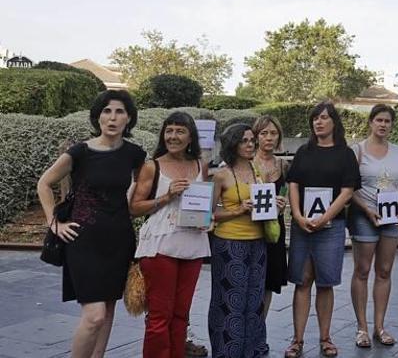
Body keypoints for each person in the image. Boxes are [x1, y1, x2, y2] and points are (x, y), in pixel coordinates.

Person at [37, 90, 146, 358]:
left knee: (108, 307)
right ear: (97, 117)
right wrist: (54, 224)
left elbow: (147, 187)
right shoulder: (80, 152)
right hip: (83, 241)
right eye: (106, 111)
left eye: (119, 112)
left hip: (119, 239)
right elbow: (44, 183)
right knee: (94, 315)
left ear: (128, 118)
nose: (112, 117)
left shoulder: (134, 154)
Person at [130, 111, 209, 358]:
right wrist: (167, 196)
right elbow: (134, 208)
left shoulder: (200, 165)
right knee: (159, 315)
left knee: (181, 314)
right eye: (169, 131)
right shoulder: (151, 166)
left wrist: (207, 219)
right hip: (160, 245)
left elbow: (201, 202)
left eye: (180, 131)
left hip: (193, 243)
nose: (173, 136)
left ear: (190, 137)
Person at [284, 102, 359, 358]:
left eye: (324, 118)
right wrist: (297, 215)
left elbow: (347, 191)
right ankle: (297, 339)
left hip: (331, 227)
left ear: (334, 122)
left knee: (326, 283)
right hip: (302, 225)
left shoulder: (345, 154)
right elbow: (293, 183)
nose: (319, 122)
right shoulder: (304, 152)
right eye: (315, 118)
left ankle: (326, 337)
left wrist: (325, 217)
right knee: (302, 281)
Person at [348, 105, 398, 347]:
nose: (383, 124)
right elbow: (349, 188)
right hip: (364, 215)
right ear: (371, 122)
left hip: (391, 217)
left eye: (387, 121)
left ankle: (380, 326)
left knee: (384, 271)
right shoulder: (358, 151)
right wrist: (366, 209)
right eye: (379, 120)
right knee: (362, 270)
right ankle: (361, 328)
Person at [209, 124, 268, 357]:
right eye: (244, 140)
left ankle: (252, 350)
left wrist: (275, 205)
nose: (250, 144)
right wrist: (237, 211)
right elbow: (209, 214)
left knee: (254, 301)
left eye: (252, 140)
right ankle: (226, 352)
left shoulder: (258, 171)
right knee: (229, 302)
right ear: (232, 143)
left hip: (258, 242)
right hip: (229, 244)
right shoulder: (221, 175)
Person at [251, 115, 289, 352]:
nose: (268, 138)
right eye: (264, 133)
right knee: (250, 280)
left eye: (273, 133)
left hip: (274, 230)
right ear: (255, 136)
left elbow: (287, 193)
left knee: (268, 283)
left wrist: (283, 203)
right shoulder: (245, 164)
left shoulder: (283, 166)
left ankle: (259, 331)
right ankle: (247, 330)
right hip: (250, 230)